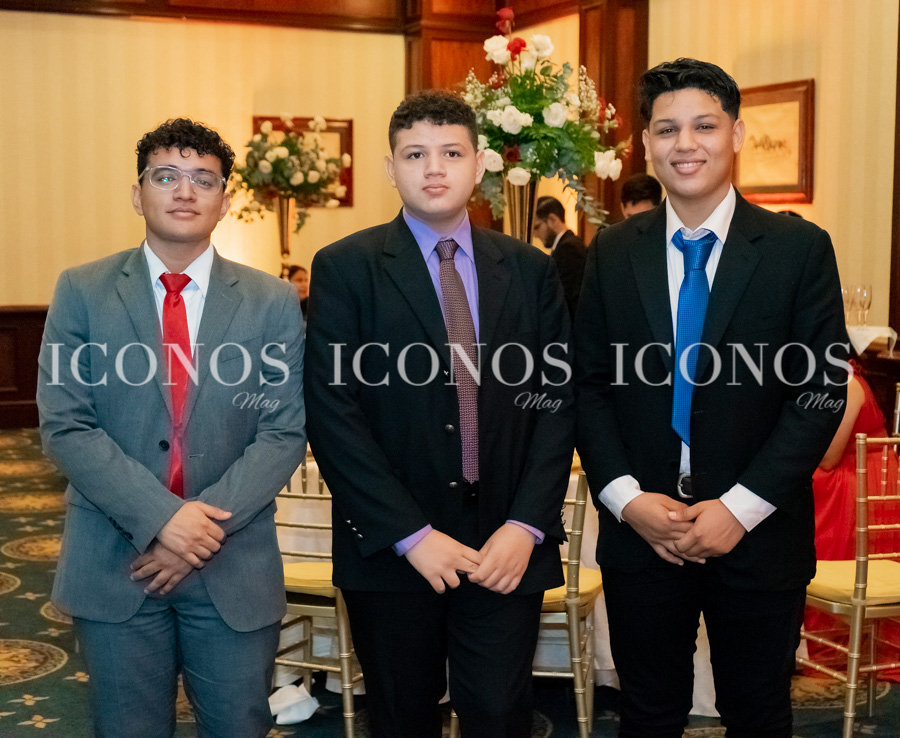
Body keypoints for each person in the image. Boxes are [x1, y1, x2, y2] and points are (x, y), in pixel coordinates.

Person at [574, 58, 849, 737]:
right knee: (647, 715)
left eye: (704, 125)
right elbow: (586, 385)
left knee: (757, 715)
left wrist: (739, 508)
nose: (685, 143)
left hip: (759, 534)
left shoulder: (797, 249)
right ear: (646, 144)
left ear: (737, 134)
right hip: (644, 534)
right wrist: (627, 500)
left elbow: (820, 390)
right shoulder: (612, 251)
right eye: (667, 129)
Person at [304, 90, 574, 738]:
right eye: (414, 154)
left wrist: (526, 525)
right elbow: (333, 413)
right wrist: (411, 534)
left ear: (479, 164)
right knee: (401, 718)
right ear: (390, 167)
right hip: (395, 545)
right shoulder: (346, 268)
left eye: (451, 153)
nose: (433, 168)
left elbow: (557, 402)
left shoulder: (529, 270)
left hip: (504, 542)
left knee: (500, 716)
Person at [36, 118, 306, 738]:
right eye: (166, 176)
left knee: (239, 726)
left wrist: (197, 531)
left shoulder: (271, 301)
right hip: (115, 562)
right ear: (138, 194)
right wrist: (163, 518)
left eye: (203, 179)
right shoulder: (82, 291)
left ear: (225, 201)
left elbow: (283, 432)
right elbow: (67, 424)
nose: (185, 191)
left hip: (233, 562)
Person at [806, 363, 900, 679]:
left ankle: (827, 642)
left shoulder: (848, 385)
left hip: (863, 477)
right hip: (851, 468)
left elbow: (829, 456)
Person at [533, 195, 587, 319]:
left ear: (552, 219)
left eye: (537, 227)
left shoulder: (569, 249)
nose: (535, 235)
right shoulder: (566, 246)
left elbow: (565, 298)